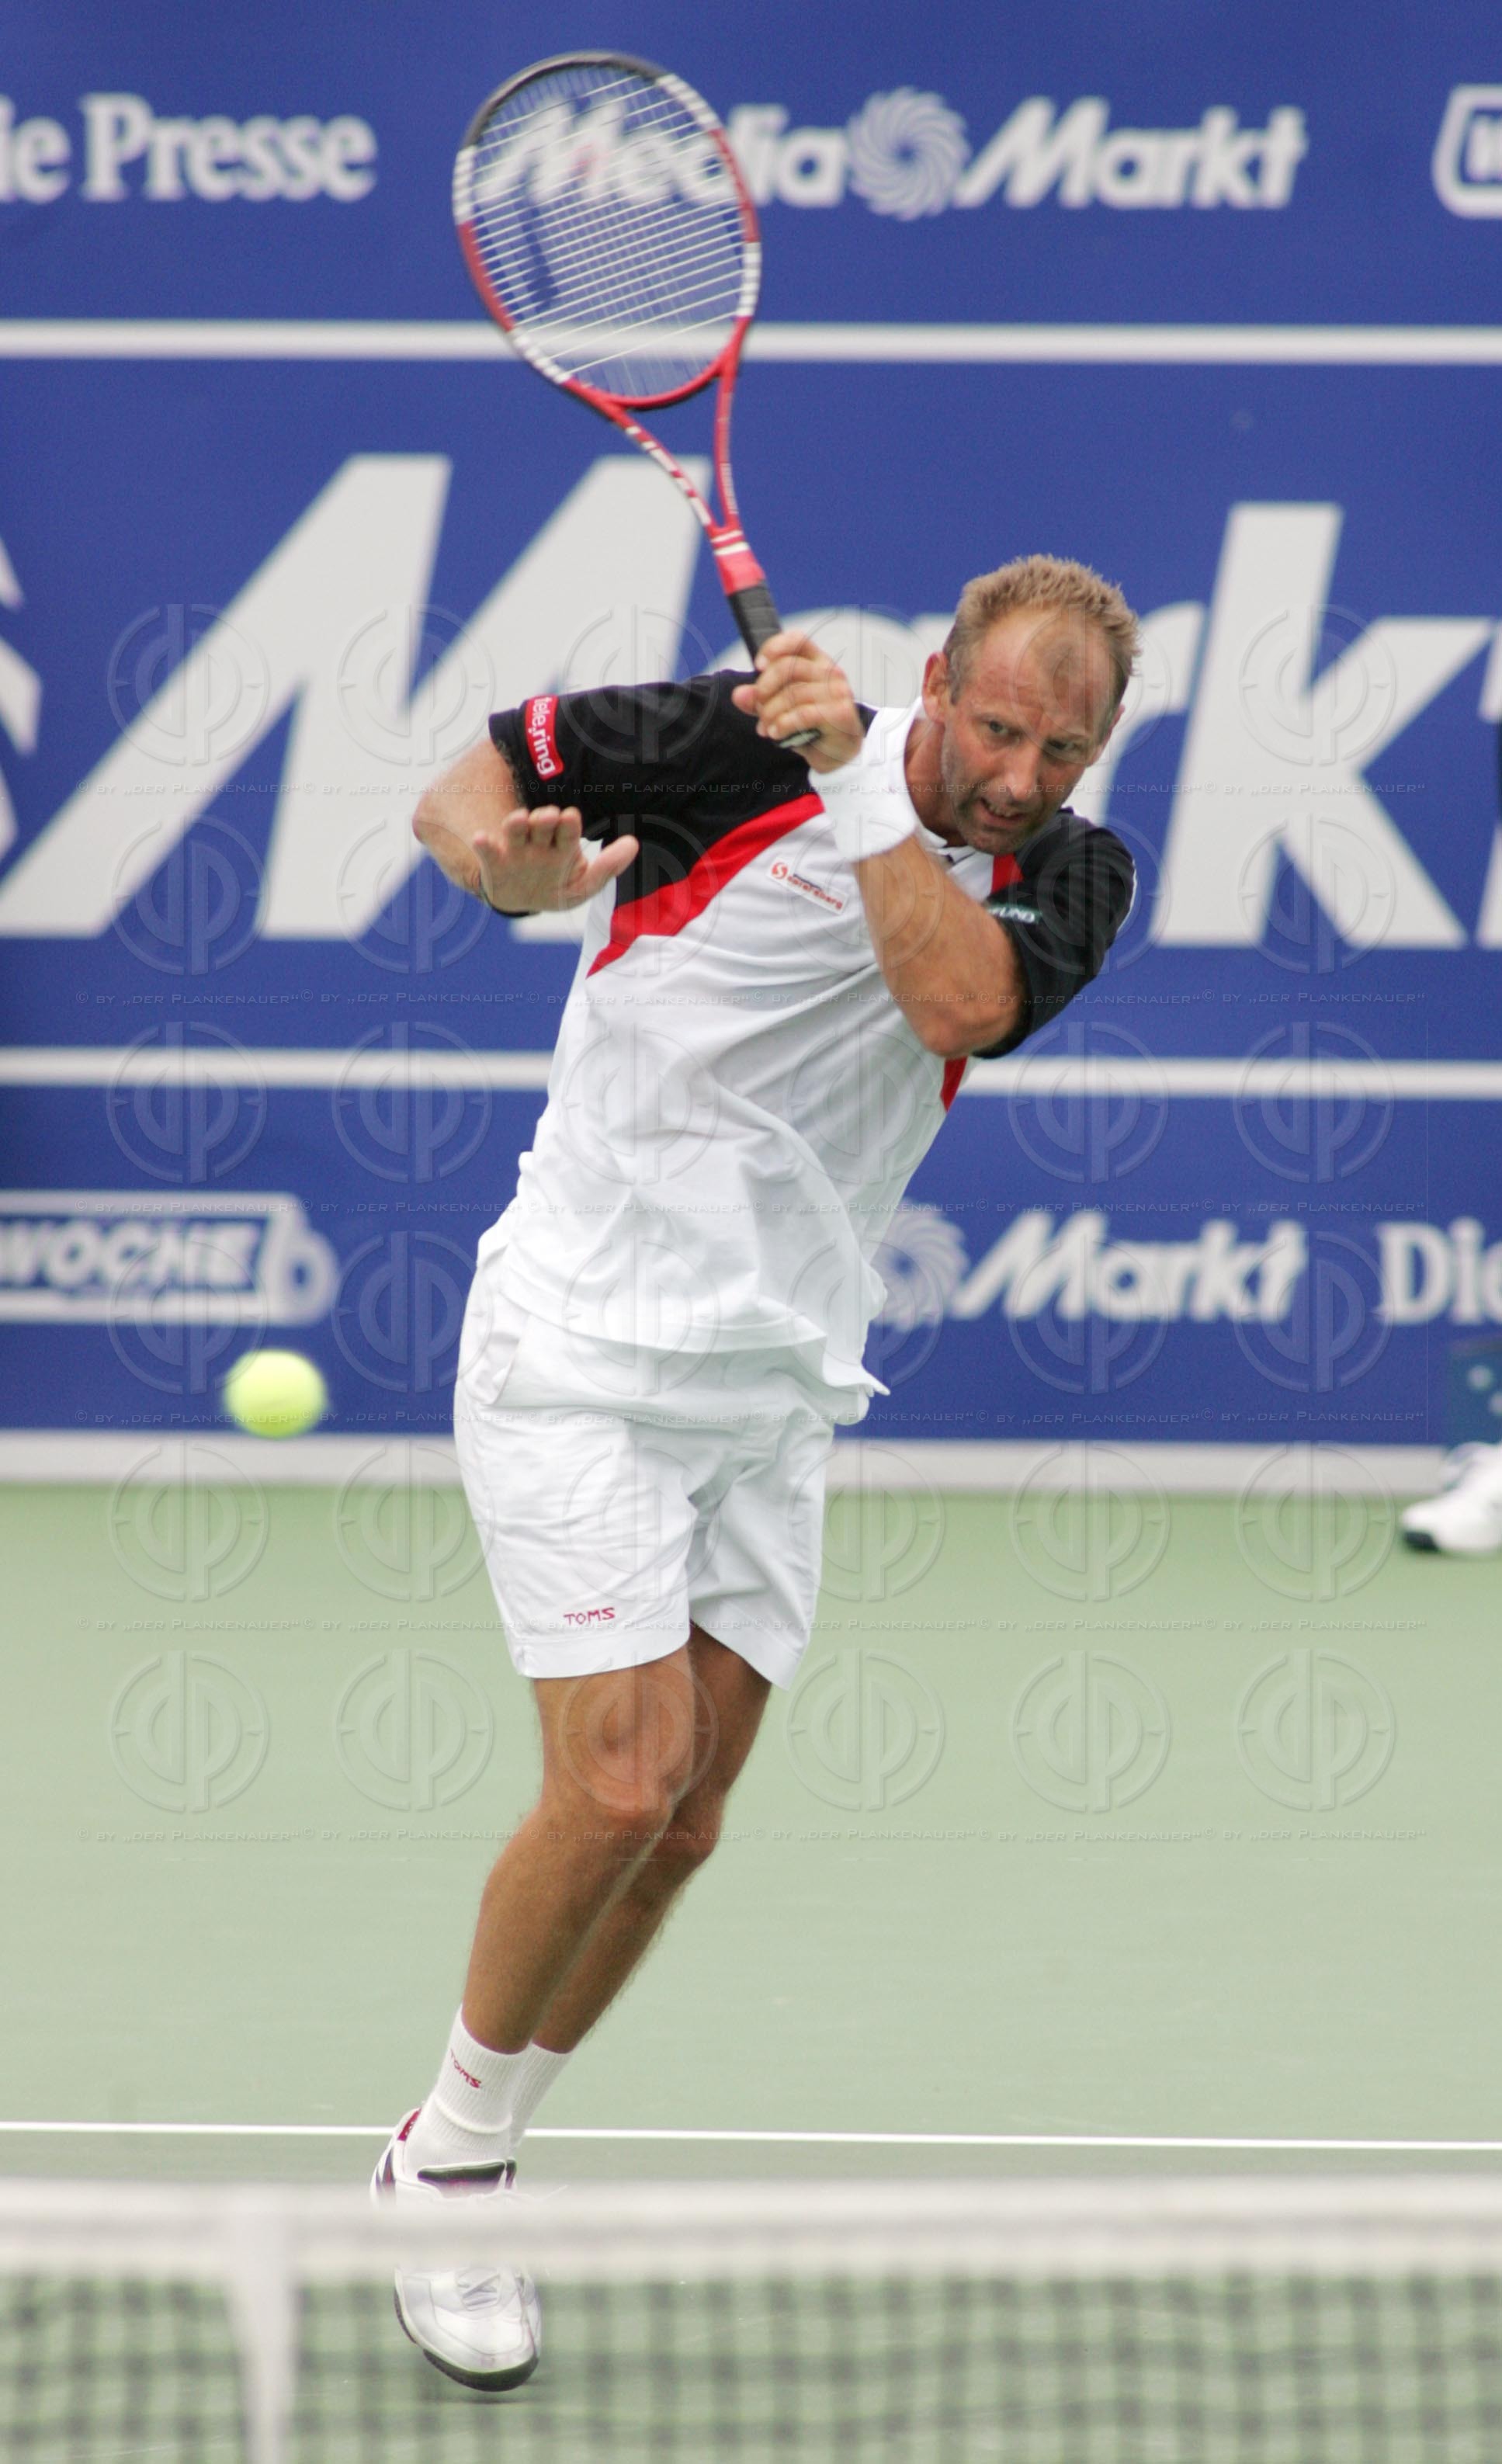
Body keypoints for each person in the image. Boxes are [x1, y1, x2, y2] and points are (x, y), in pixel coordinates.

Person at [372, 555, 1140, 2389]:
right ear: (936, 677)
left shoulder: (1073, 879)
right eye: (1003, 727)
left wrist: (864, 788)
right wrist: (513, 876)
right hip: (577, 1348)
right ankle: (446, 2172)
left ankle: (460, 2134)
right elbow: (463, 788)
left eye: (1069, 747)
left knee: (688, 1818)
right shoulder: (728, 745)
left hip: (773, 1387)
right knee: (621, 1780)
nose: (1026, 777)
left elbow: (949, 1002)